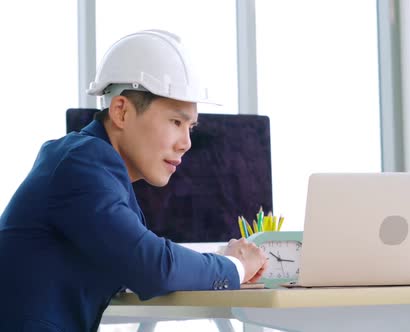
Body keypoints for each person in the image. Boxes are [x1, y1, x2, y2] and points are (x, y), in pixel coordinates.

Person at [0, 30, 267, 331]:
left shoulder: (96, 169)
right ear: (121, 112)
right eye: (176, 122)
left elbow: (142, 261)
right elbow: (153, 266)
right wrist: (236, 266)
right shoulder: (81, 166)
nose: (186, 143)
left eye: (190, 127)